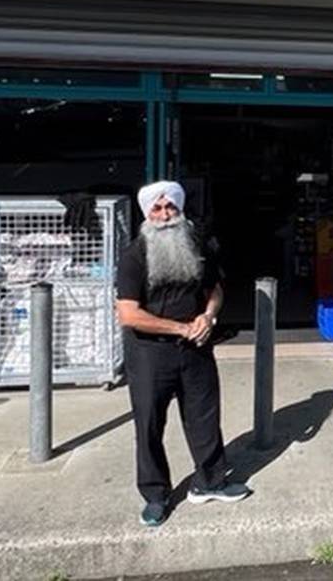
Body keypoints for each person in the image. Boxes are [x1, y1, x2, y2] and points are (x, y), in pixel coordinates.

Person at [116, 180, 251, 526]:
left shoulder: (197, 245)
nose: (164, 215)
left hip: (196, 347)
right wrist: (179, 328)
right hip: (150, 353)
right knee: (149, 424)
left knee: (204, 416)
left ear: (180, 210)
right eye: (157, 209)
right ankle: (156, 495)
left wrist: (208, 316)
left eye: (170, 208)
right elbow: (128, 314)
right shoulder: (134, 255)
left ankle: (209, 482)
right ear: (147, 214)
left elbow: (215, 289)